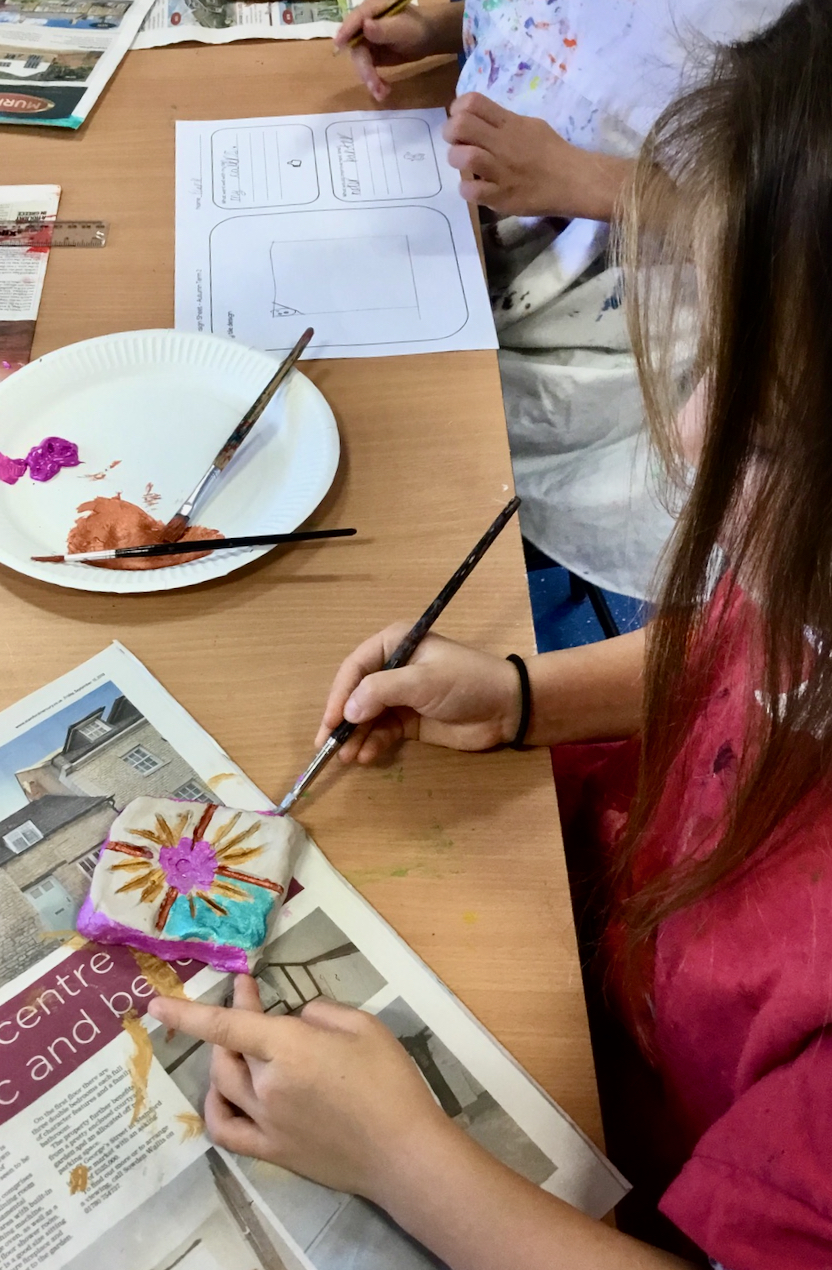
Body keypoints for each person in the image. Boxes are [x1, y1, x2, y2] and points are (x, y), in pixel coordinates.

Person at [149, 3, 832, 1266]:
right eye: (710, 373)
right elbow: (744, 655)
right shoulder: (812, 589)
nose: (687, 437)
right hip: (620, 973)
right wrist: (522, 694)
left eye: (769, 429)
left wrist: (406, 1161)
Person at [324, 0, 785, 600]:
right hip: (464, 214)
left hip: (608, 312)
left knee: (383, 464)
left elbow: (784, 226)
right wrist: (441, 24)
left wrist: (584, 179)